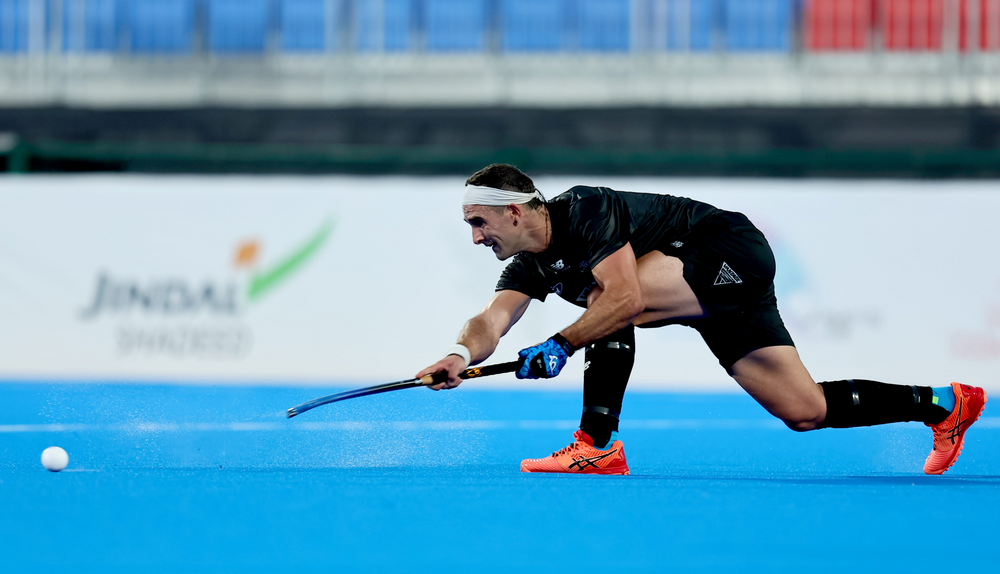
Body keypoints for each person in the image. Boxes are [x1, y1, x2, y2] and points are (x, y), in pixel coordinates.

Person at [416, 164, 987, 476]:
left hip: (725, 248)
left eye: (479, 222)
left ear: (515, 211)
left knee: (610, 302)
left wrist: (561, 345)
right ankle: (944, 404)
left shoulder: (585, 209)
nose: (475, 238)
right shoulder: (526, 266)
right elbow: (491, 321)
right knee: (805, 410)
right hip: (703, 291)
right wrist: (459, 355)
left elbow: (624, 300)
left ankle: (596, 445)